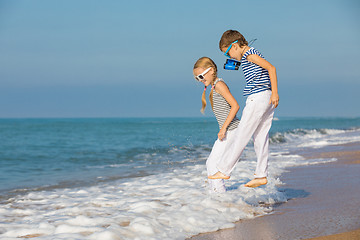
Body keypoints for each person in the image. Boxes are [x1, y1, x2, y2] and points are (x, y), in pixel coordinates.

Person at [208, 30, 279, 188]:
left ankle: (225, 170)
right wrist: (272, 94)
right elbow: (256, 68)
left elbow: (271, 68)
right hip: (265, 97)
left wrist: (275, 92)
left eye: (228, 53)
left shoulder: (249, 55)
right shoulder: (249, 55)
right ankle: (261, 175)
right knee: (260, 137)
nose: (229, 57)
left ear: (234, 46)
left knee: (242, 134)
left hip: (258, 98)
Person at [193, 57, 240, 193]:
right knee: (211, 163)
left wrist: (224, 128)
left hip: (232, 130)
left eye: (201, 76)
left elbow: (235, 106)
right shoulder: (214, 87)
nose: (201, 80)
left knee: (214, 165)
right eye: (197, 78)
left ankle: (220, 198)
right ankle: (215, 196)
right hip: (228, 130)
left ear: (212, 70)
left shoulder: (219, 85)